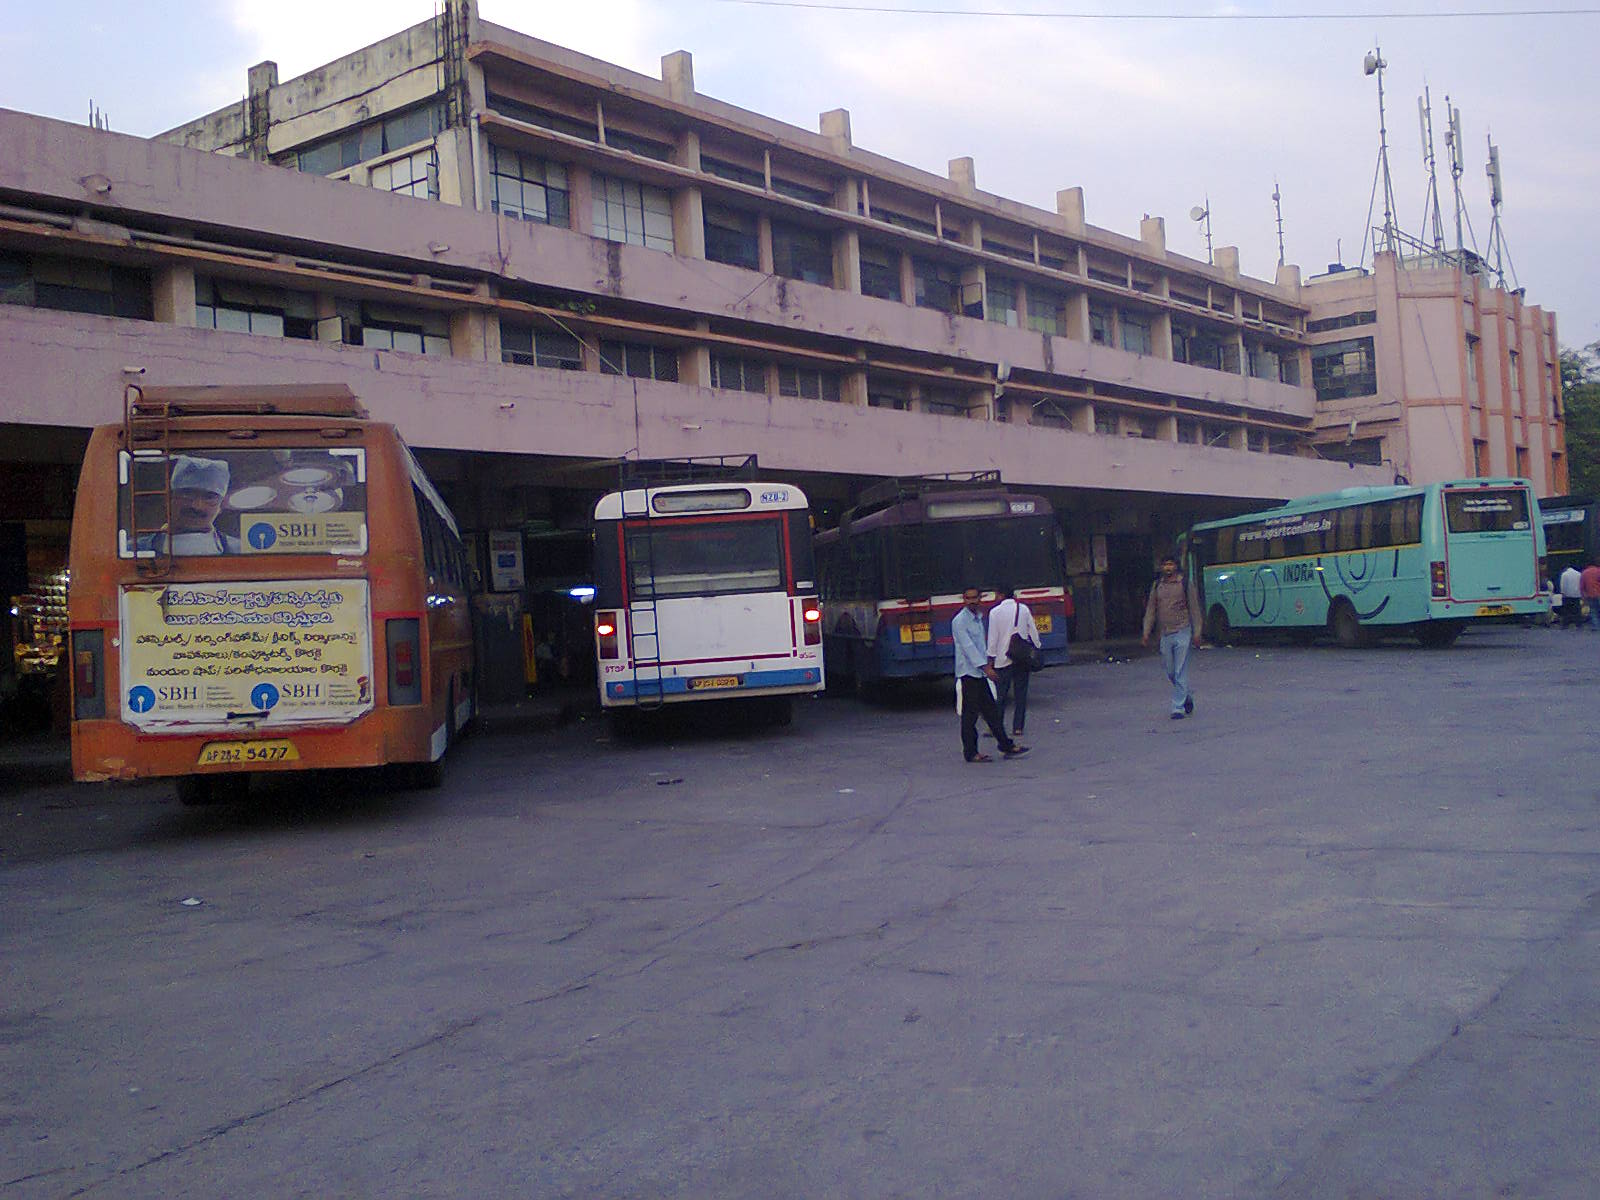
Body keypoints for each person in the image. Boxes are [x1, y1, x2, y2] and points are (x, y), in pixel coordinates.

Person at [952, 587, 1028, 763]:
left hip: (979, 673)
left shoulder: (978, 618)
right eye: (968, 598)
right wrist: (987, 668)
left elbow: (980, 645)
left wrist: (987, 664)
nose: (972, 601)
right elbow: (968, 647)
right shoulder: (960, 621)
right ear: (963, 599)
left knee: (991, 712)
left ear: (980, 598)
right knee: (970, 715)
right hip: (969, 673)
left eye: (975, 598)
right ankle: (971, 752)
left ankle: (1005, 745)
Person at [136, 455, 239, 555]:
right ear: (168, 498)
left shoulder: (241, 550)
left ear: (221, 506)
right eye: (187, 494)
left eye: (209, 497)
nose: (196, 506)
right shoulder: (134, 550)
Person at [1141, 553, 1203, 720]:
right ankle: (1186, 696)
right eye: (1165, 565)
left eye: (1171, 564)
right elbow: (1150, 610)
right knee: (1170, 671)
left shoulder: (1184, 584)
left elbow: (1195, 609)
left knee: (1180, 669)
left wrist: (1197, 633)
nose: (1168, 568)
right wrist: (1146, 632)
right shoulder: (1157, 586)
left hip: (1182, 631)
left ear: (1176, 566)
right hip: (1165, 633)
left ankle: (1177, 707)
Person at [985, 583, 1042, 741]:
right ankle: (1018, 727)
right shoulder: (1023, 609)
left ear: (1000, 594)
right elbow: (1033, 630)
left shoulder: (994, 613)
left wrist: (990, 659)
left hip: (1003, 659)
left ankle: (996, 725)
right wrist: (1036, 648)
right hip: (1022, 658)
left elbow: (993, 638)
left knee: (1001, 694)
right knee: (1020, 694)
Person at [1582, 560, 1600, 631]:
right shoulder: (1598, 571)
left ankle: (1596, 626)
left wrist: (1583, 596)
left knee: (1593, 611)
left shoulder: (1584, 573)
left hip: (1590, 595)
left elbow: (1582, 587)